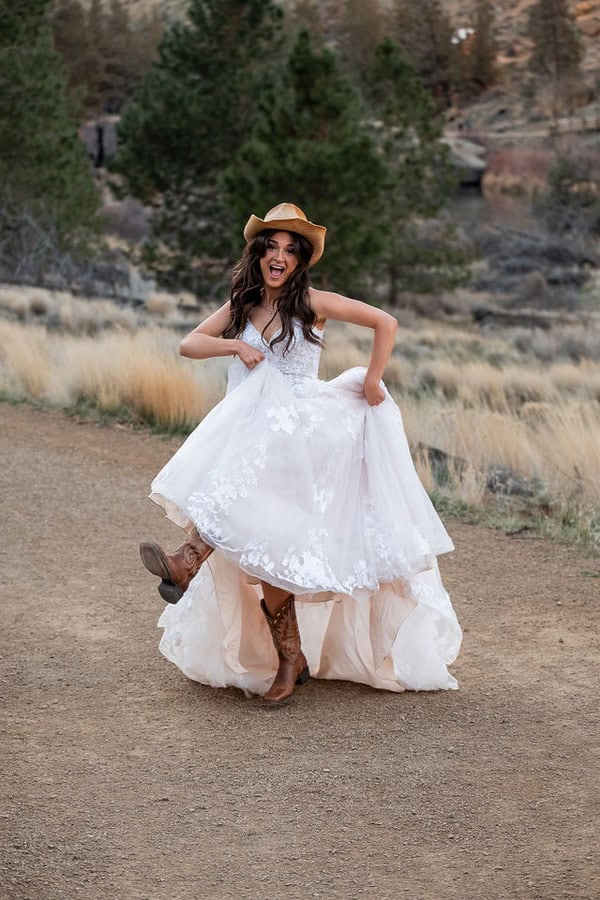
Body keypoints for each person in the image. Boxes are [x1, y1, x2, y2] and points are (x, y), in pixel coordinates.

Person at [140, 202, 462, 704]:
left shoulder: (311, 302)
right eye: (271, 245)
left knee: (259, 523)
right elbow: (189, 344)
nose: (279, 256)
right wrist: (234, 348)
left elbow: (386, 322)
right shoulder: (243, 304)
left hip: (299, 436)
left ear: (299, 261)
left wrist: (374, 379)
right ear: (259, 252)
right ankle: (291, 656)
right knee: (271, 553)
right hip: (257, 440)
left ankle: (188, 559)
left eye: (290, 250)